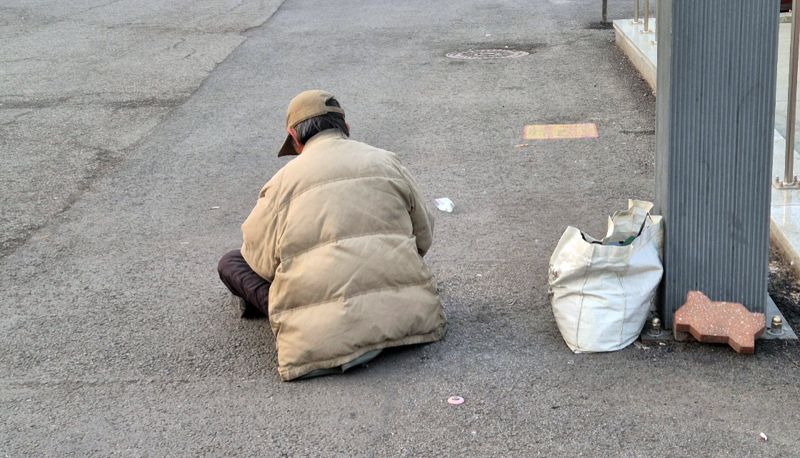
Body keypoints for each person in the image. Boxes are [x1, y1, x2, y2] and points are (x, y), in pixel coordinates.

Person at [217, 90, 447, 381]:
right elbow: (423, 238)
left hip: (323, 341)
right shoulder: (388, 162)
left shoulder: (280, 183)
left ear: (294, 138)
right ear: (345, 127)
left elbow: (260, 263)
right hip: (410, 322)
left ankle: (308, 324)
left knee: (231, 262)